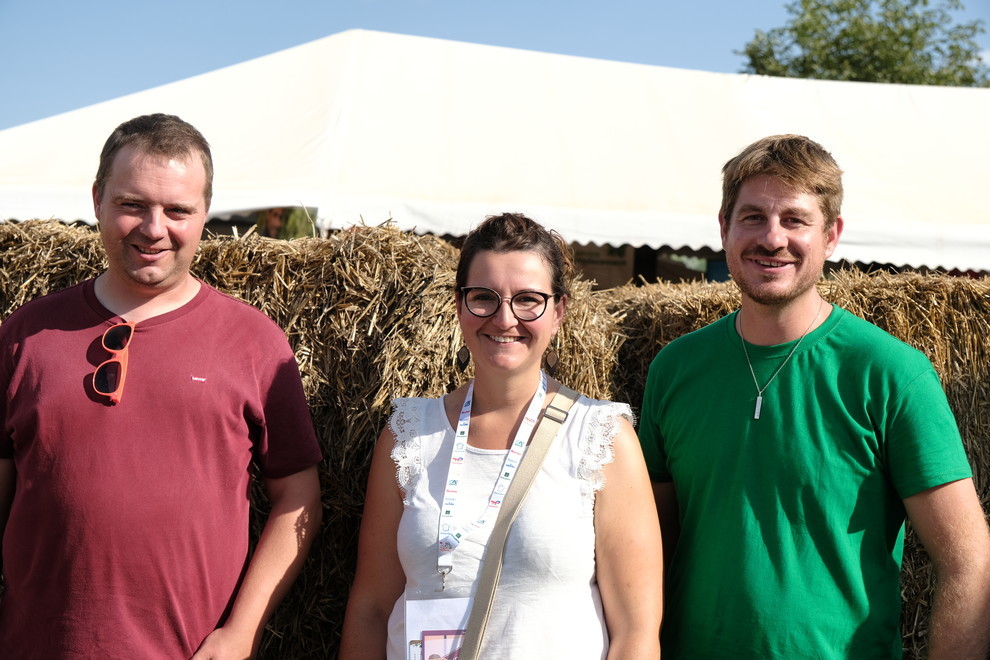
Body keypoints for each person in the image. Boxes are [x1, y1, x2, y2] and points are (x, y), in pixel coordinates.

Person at [639, 134, 990, 658]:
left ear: (831, 235)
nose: (772, 238)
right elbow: (645, 548)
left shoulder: (890, 373)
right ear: (724, 230)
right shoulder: (675, 368)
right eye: (753, 217)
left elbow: (969, 561)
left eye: (795, 220)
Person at [0, 113, 324, 658]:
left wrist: (240, 633)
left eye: (178, 210)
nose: (155, 228)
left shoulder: (254, 343)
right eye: (133, 204)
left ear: (204, 216)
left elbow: (299, 497)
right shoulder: (25, 334)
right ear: (98, 198)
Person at [339, 213, 663, 659]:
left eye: (528, 299)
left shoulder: (602, 439)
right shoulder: (409, 436)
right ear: (459, 305)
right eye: (484, 298)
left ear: (559, 311)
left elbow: (636, 634)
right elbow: (371, 610)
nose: (504, 318)